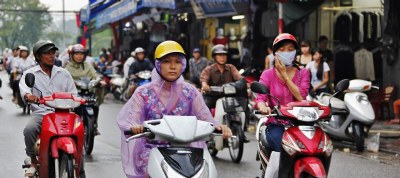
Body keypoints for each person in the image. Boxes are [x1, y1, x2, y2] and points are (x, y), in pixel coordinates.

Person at [116, 40, 232, 178]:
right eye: (166, 61)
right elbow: (131, 119)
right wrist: (135, 126)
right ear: (158, 64)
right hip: (151, 151)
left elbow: (206, 117)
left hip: (188, 153)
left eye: (177, 62)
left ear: (182, 65)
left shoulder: (191, 92)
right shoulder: (143, 92)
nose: (172, 66)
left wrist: (220, 127)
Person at [18, 40, 85, 177]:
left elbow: (73, 94)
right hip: (42, 114)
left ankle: (80, 169)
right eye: (47, 54)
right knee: (29, 129)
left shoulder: (64, 73)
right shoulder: (30, 74)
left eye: (53, 53)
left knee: (80, 131)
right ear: (38, 56)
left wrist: (76, 100)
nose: (51, 56)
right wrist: (29, 96)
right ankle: (33, 161)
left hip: (64, 114)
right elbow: (24, 91)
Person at [255, 33, 310, 178]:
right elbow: (260, 98)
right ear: (276, 53)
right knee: (283, 148)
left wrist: (285, 76)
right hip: (277, 124)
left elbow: (301, 96)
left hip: (299, 124)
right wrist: (263, 107)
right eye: (283, 49)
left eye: (290, 49)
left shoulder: (303, 73)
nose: (287, 52)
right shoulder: (268, 74)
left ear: (295, 52)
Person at [65, 44, 105, 135]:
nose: (79, 56)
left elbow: (95, 75)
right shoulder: (68, 67)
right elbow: (64, 78)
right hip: (74, 93)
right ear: (72, 55)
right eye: (77, 54)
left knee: (95, 104)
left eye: (81, 54)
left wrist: (99, 81)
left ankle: (94, 125)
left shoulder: (88, 66)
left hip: (88, 91)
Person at [200, 44, 243, 109]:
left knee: (242, 108)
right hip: (212, 97)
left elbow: (240, 79)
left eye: (224, 55)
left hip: (229, 96)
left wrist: (244, 84)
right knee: (204, 108)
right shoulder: (208, 69)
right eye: (219, 55)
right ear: (214, 57)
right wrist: (205, 86)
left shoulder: (231, 67)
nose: (222, 57)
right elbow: (204, 80)